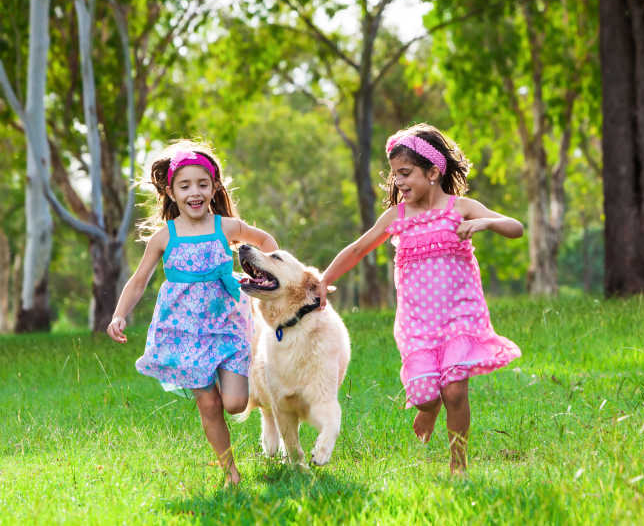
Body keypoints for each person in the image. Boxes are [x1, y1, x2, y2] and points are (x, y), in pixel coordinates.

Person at [317, 123, 523, 474]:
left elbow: (515, 228)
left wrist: (485, 224)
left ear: (432, 172)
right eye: (395, 175)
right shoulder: (396, 218)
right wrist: (323, 281)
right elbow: (358, 249)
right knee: (428, 394)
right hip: (418, 322)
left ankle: (458, 465)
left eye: (406, 173)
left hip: (461, 314)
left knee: (455, 390)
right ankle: (430, 409)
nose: (399, 182)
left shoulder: (462, 208)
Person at [106, 140, 278, 486]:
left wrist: (275, 276)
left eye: (202, 184)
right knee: (210, 406)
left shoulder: (226, 227)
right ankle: (231, 472)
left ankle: (258, 400)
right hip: (186, 334)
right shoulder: (164, 237)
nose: (194, 192)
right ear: (170, 192)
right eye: (185, 186)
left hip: (228, 327)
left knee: (233, 403)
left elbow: (267, 241)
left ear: (214, 187)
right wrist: (119, 314)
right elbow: (139, 282)